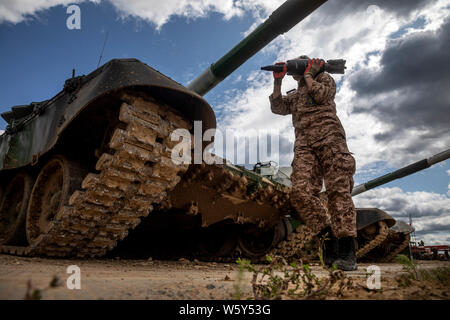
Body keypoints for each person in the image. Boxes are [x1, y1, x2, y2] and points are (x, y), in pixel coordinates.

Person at [269, 56, 358, 271]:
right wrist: (278, 81)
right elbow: (278, 107)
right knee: (300, 193)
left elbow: (322, 95)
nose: (294, 71)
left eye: (298, 67)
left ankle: (347, 252)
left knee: (338, 192)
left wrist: (310, 73)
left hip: (330, 139)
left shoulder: (324, 79)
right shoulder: (297, 93)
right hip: (304, 145)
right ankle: (328, 239)